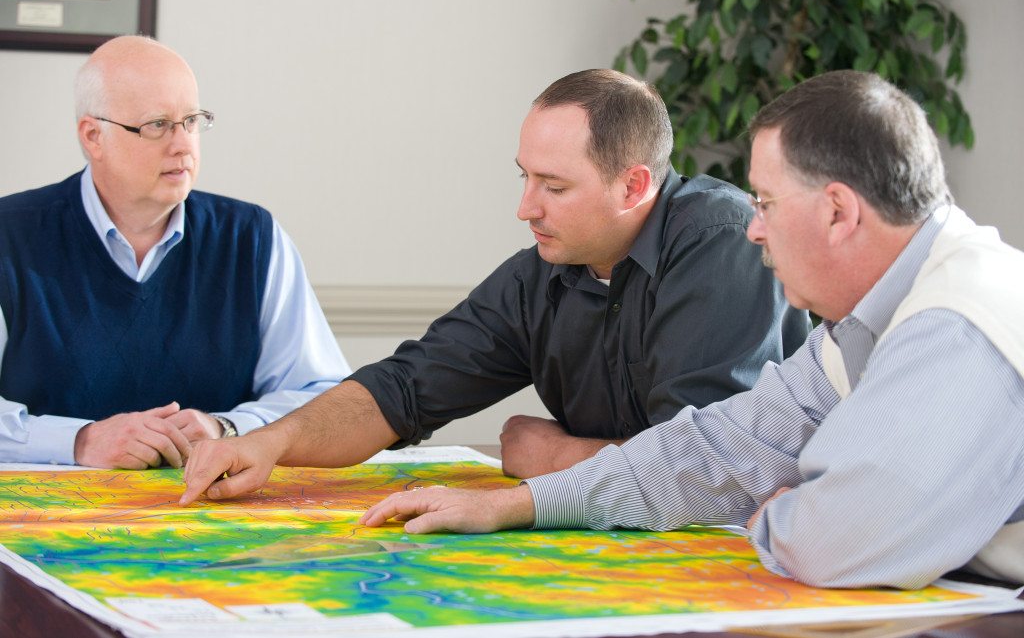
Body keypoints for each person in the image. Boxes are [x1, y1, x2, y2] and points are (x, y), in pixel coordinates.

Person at [357, 70, 1024, 590]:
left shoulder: (960, 319)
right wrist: (520, 503)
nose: (753, 227)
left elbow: (841, 540)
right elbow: (716, 447)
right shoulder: (860, 325)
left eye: (764, 202)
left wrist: (782, 511)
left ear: (839, 212)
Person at [179, 68, 807, 497]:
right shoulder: (544, 273)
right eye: (524, 178)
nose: (526, 208)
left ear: (635, 186)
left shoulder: (723, 240)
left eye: (554, 187)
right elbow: (405, 387)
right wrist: (272, 441)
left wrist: (554, 459)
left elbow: (703, 474)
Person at [0, 36, 349, 469]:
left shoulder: (252, 237)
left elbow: (322, 392)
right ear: (93, 136)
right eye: (157, 125)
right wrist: (80, 441)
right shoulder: (10, 235)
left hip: (214, 517)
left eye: (191, 121)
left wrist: (226, 426)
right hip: (37, 521)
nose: (183, 144)